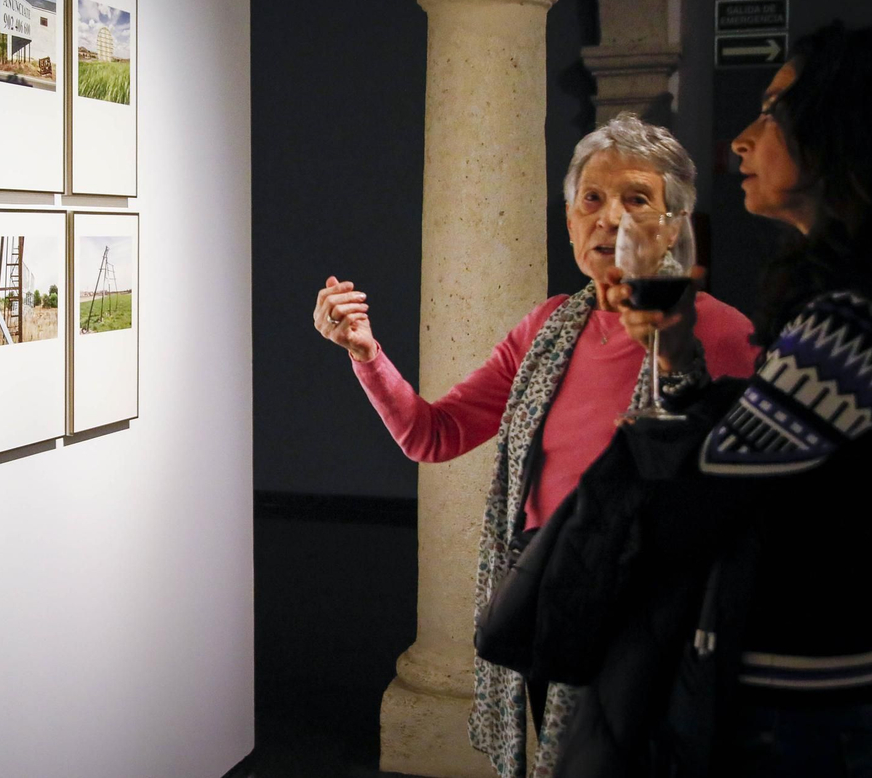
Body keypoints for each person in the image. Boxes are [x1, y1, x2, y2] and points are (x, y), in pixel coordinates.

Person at [517, 21, 872, 777]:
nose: (742, 139)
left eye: (772, 112)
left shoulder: (857, 323)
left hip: (808, 715)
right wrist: (683, 356)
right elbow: (772, 454)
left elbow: (702, 505)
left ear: (847, 134)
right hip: (832, 695)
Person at [313, 113, 759, 778]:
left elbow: (748, 499)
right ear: (570, 219)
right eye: (591, 200)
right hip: (556, 582)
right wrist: (366, 354)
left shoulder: (720, 335)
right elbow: (431, 435)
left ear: (674, 222)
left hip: (657, 601)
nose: (609, 218)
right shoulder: (548, 328)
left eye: (636, 199)